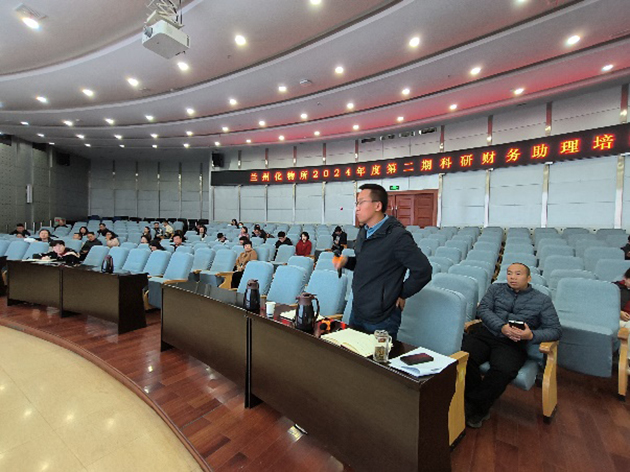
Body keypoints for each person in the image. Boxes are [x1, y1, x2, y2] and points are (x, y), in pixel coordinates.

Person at [462, 263, 562, 429]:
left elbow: (555, 330)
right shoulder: (496, 289)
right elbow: (483, 310)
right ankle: (477, 402)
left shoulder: (542, 300)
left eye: (518, 274)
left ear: (528, 278)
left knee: (503, 370)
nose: (512, 277)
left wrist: (531, 335)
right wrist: (501, 326)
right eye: (509, 273)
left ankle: (474, 405)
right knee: (463, 357)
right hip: (487, 333)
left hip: (513, 343)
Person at [333, 184, 431, 341]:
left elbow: (423, 270)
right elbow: (367, 263)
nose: (357, 208)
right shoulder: (364, 231)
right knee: (351, 354)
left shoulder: (398, 237)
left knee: (377, 356)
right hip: (358, 309)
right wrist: (347, 261)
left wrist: (401, 293)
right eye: (357, 203)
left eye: (361, 202)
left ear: (377, 206)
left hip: (382, 316)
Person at [613, 268, 630, 372]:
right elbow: (604, 304)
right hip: (615, 319)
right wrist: (619, 312)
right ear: (625, 278)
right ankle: (626, 362)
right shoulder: (615, 287)